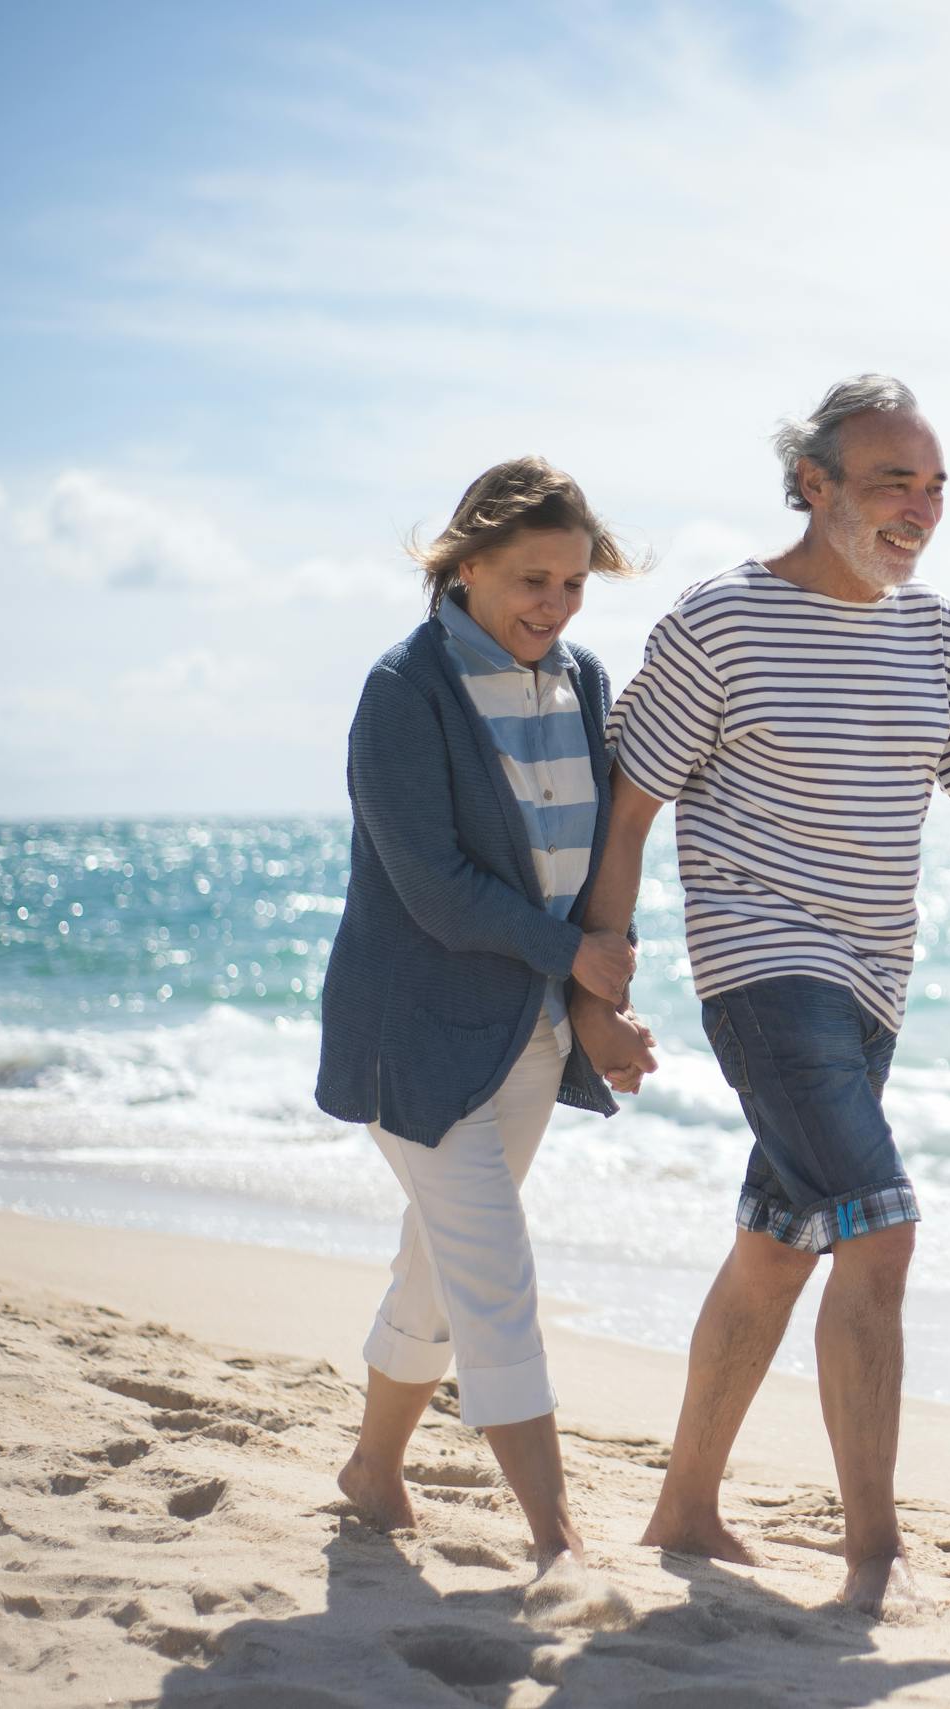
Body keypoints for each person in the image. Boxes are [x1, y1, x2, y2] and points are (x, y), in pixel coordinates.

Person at [573, 374, 950, 1618]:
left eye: (933, 488)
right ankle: (874, 1550)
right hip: (763, 975)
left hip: (874, 986)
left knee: (777, 1247)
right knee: (881, 1225)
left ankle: (684, 1505)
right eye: (892, 482)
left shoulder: (930, 632)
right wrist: (598, 984)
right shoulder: (718, 619)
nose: (918, 510)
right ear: (812, 484)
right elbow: (629, 805)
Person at [315, 456, 657, 1600]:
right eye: (529, 579)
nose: (551, 605)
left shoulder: (582, 679)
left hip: (528, 1038)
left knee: (439, 1263)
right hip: (409, 1038)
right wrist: (579, 961)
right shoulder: (402, 689)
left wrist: (589, 1008)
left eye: (570, 583)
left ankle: (373, 1467)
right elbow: (434, 885)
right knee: (493, 1267)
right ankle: (557, 1539)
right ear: (465, 568)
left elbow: (589, 867)